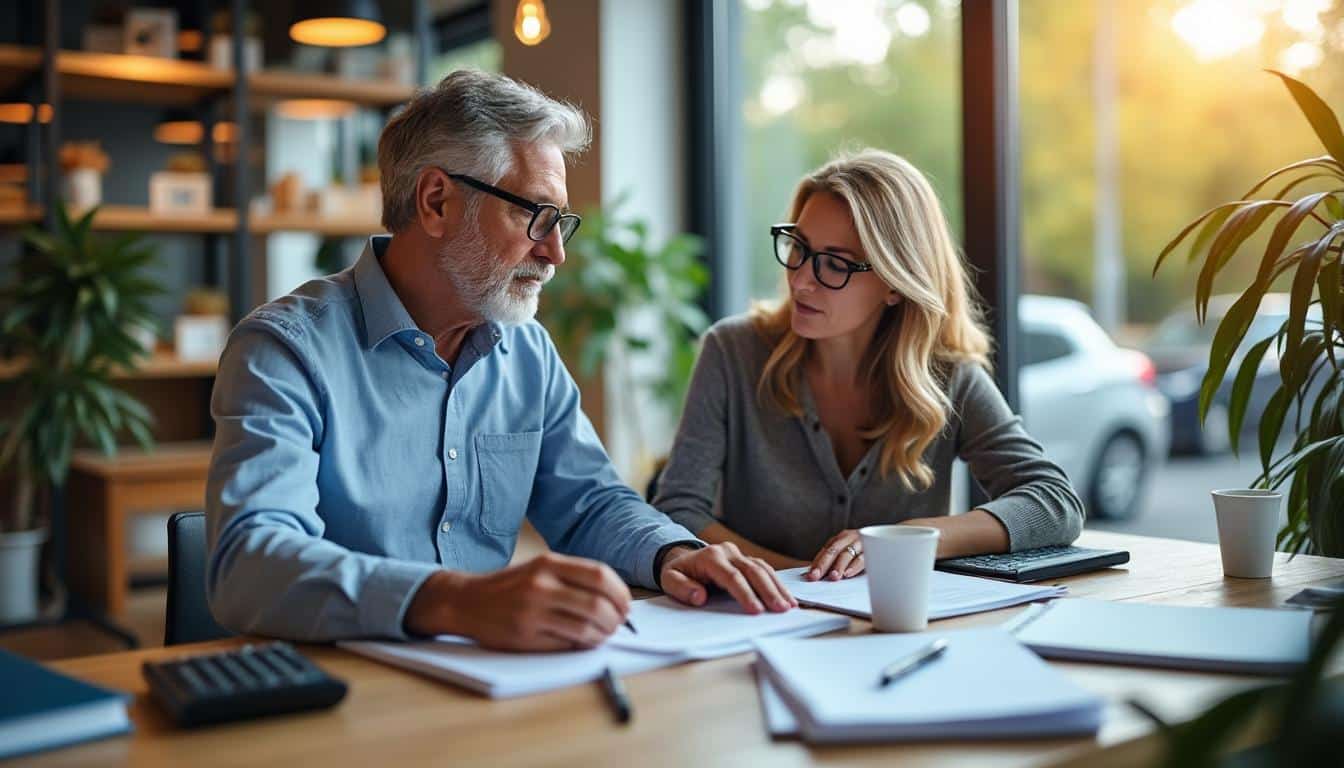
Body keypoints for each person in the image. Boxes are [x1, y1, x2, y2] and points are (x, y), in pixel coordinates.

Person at [205, 70, 794, 650]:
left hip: (487, 681)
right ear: (437, 201)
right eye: (534, 214)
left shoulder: (526, 351)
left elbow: (590, 503)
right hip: (335, 691)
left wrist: (675, 554)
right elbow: (250, 563)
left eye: (560, 222)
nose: (556, 252)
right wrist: (457, 601)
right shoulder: (284, 351)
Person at [654, 149, 1084, 582]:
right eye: (798, 248)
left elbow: (1055, 504)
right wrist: (803, 581)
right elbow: (678, 509)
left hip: (889, 629)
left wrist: (910, 538)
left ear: (895, 284)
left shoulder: (948, 378)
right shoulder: (733, 352)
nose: (801, 279)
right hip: (759, 616)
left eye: (835, 264)